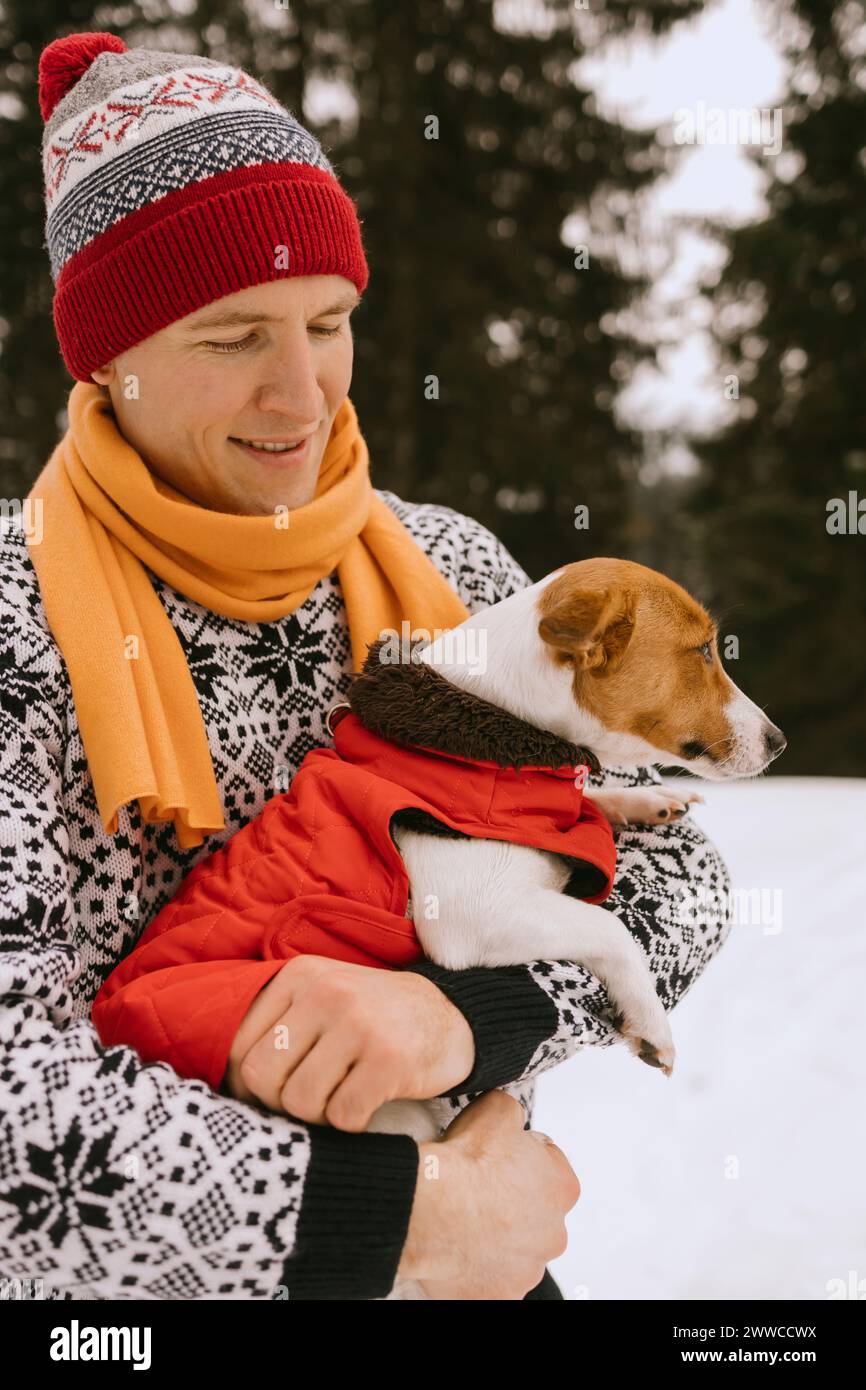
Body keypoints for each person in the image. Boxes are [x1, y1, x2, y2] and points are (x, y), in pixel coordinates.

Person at [0, 30, 733, 1302]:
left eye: (329, 322)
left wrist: (474, 1016)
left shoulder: (444, 564)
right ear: (106, 358)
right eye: (232, 338)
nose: (304, 393)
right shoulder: (17, 624)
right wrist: (392, 1218)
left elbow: (680, 873)